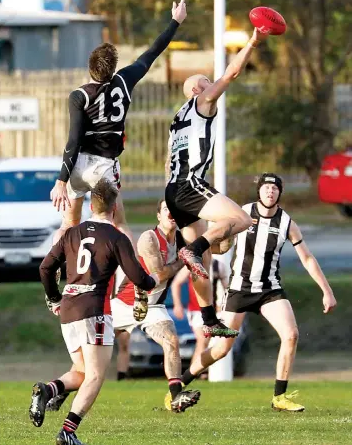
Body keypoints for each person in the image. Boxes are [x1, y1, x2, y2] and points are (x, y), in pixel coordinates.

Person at [179, 173, 337, 412]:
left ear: (280, 193)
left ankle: (279, 397)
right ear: (259, 191)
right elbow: (217, 241)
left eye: (274, 188)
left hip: (269, 289)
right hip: (239, 289)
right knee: (221, 349)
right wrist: (218, 244)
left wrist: (327, 291)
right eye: (266, 187)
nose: (270, 192)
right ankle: (179, 383)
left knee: (291, 334)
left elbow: (307, 258)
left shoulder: (286, 222)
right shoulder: (242, 213)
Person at [29, 179, 158, 445]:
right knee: (96, 376)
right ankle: (68, 431)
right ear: (114, 208)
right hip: (94, 310)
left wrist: (54, 297)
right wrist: (152, 282)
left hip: (68, 307)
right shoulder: (115, 237)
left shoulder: (71, 233)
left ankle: (47, 389)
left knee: (81, 371)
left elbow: (44, 268)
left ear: (91, 204)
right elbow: (136, 275)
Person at [50, 0, 187, 246]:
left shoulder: (78, 95)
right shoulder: (124, 81)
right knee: (118, 223)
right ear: (113, 68)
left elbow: (74, 140)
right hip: (105, 167)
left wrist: (61, 180)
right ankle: (130, 278)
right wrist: (175, 22)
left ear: (90, 66)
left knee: (68, 224)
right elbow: (152, 53)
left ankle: (55, 272)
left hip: (79, 165)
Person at [165, 27, 270, 338]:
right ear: (199, 90)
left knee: (205, 261)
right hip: (190, 183)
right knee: (240, 219)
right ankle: (193, 249)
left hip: (174, 190)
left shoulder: (178, 117)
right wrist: (253, 41)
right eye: (208, 83)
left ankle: (209, 318)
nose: (214, 86)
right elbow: (233, 72)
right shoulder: (202, 103)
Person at [111, 199, 201, 412]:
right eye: (165, 209)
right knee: (92, 354)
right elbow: (158, 274)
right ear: (158, 216)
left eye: (173, 210)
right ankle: (58, 391)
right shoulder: (149, 238)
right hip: (125, 303)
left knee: (171, 340)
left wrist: (228, 233)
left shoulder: (181, 240)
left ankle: (176, 395)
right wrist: (183, 260)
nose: (170, 213)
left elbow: (213, 246)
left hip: (153, 307)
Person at [171, 258, 230, 372]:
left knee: (207, 342)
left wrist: (222, 304)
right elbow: (176, 283)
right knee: (203, 340)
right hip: (196, 310)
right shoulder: (192, 264)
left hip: (213, 311)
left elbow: (227, 289)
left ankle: (198, 372)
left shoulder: (218, 266)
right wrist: (177, 305)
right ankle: (193, 373)